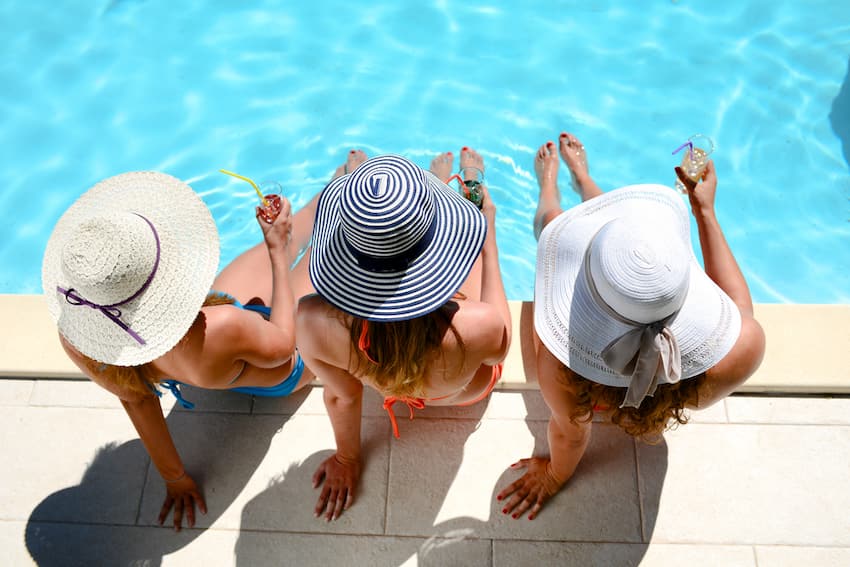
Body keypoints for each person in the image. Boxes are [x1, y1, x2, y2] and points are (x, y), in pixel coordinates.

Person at [42, 151, 368, 531]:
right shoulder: (221, 323)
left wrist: (175, 478)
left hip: (211, 352)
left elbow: (138, 401)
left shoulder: (81, 340)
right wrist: (278, 251)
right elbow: (281, 344)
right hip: (285, 360)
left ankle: (336, 187)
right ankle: (358, 194)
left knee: (294, 237)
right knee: (337, 253)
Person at [497, 133, 766, 520]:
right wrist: (705, 210)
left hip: (591, 387)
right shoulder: (742, 351)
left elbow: (570, 434)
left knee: (556, 227)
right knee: (631, 241)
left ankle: (550, 189)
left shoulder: (560, 366)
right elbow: (738, 309)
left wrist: (554, 476)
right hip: (652, 391)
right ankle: (583, 180)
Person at [296, 149, 512, 521]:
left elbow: (342, 397)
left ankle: (395, 219)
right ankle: (464, 187)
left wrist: (347, 458)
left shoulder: (312, 321)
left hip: (391, 387)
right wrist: (488, 244)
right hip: (461, 393)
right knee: (474, 274)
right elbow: (498, 353)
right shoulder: (478, 324)